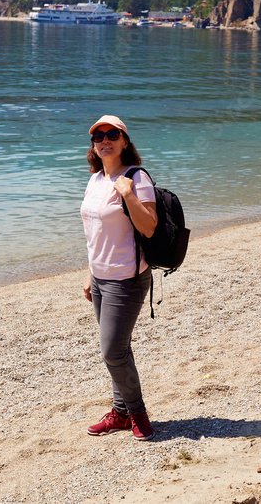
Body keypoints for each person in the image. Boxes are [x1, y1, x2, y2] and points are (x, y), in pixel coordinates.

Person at [80, 115, 158, 441]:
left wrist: (128, 194)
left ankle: (137, 413)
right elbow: (94, 232)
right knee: (119, 349)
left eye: (113, 134)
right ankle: (120, 413)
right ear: (94, 146)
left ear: (125, 141)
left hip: (127, 278)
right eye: (99, 137)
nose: (105, 140)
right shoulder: (95, 180)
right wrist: (90, 274)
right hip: (100, 277)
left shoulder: (136, 178)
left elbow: (150, 226)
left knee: (112, 351)